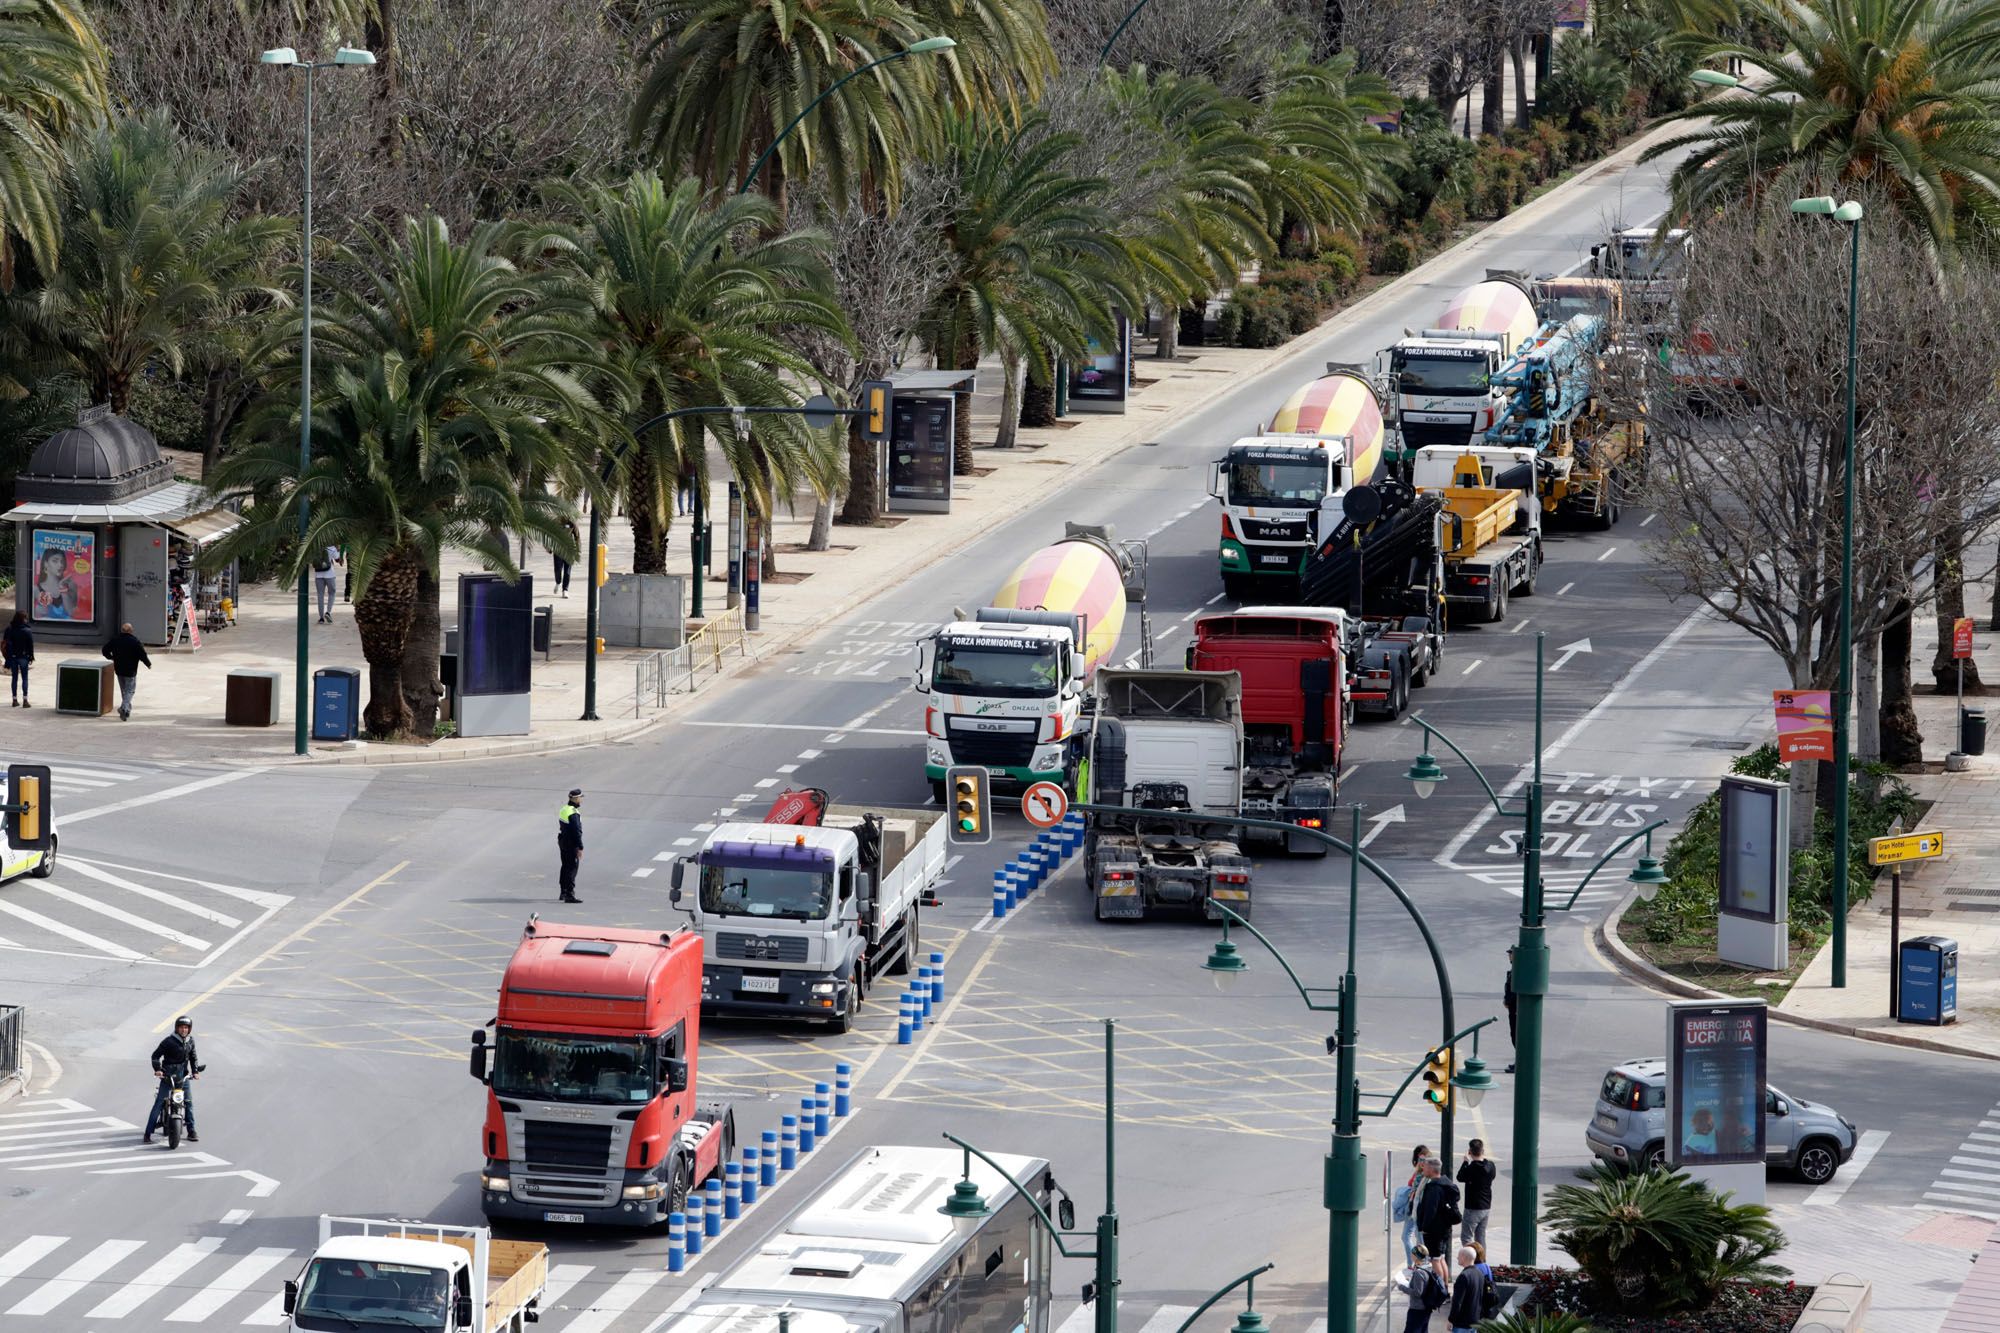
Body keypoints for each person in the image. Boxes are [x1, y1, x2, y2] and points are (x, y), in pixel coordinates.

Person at [143, 1016, 201, 1143]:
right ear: (177, 1028)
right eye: (181, 1027)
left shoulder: (190, 1041)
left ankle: (191, 1131)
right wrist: (158, 1069)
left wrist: (195, 1071)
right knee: (158, 1104)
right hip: (168, 1077)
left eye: (186, 1027)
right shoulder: (169, 1041)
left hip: (183, 1078)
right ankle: (148, 1133)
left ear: (189, 1029)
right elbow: (155, 1056)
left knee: (188, 1103)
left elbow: (193, 1057)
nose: (183, 1030)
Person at [1415, 1157, 1462, 1269]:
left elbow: (1431, 1210)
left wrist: (1423, 1227)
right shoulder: (1445, 1183)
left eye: (1425, 1167)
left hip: (1435, 1230)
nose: (1423, 1170)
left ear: (1431, 1169)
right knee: (1440, 1259)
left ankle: (1440, 1285)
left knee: (1435, 1261)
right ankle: (1444, 1285)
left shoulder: (1434, 1188)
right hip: (1444, 1228)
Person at [101, 622, 152, 721]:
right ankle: (124, 708)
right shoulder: (135, 641)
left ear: (122, 630)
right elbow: (142, 654)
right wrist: (148, 664)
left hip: (119, 669)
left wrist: (111, 657)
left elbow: (104, 650)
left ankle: (127, 710)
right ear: (131, 631)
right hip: (131, 670)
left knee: (124, 691)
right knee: (130, 691)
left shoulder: (115, 640)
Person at [1457, 1138, 1498, 1252]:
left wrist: (1465, 1161)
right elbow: (1492, 1176)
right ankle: (1481, 1262)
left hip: (1473, 1207)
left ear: (1470, 1151)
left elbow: (1460, 1177)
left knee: (1466, 1238)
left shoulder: (1471, 1168)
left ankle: (1471, 1262)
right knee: (1480, 1237)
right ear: (1482, 1150)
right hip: (1486, 1206)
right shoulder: (1490, 1165)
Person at [1399, 1245, 1447, 1333]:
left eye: (1412, 1253)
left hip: (1417, 1309)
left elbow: (1418, 1292)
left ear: (1416, 1256)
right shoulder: (1428, 1266)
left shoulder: (1419, 1272)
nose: (1411, 1255)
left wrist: (1402, 1287)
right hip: (1425, 1308)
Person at [1397, 1143, 1430, 1261]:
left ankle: (1418, 1263)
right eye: (1418, 1159)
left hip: (1417, 1209)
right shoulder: (1419, 1173)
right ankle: (1415, 1263)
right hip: (1413, 1208)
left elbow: (1414, 1187)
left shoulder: (1423, 1175)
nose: (1420, 1162)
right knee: (1409, 1237)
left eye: (1423, 1159)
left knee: (1416, 1238)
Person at [1448, 1246, 1491, 1333]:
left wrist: (1451, 1319)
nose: (1457, 1258)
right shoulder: (1479, 1273)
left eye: (1459, 1255)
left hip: (1462, 1323)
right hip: (1475, 1320)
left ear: (1464, 1257)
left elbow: (1457, 1302)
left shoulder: (1464, 1276)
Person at [556, 788, 584, 903]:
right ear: (575, 798)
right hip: (571, 844)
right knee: (572, 868)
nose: (581, 800)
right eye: (580, 798)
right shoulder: (573, 813)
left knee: (565, 866)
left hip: (563, 841)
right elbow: (576, 831)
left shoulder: (564, 809)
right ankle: (570, 894)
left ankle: (563, 892)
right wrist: (580, 847)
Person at [4, 611, 33, 707]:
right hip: (23, 657)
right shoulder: (27, 630)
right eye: (25, 618)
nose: (26, 620)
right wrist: (31, 656)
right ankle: (25, 700)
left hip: (12, 657)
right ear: (23, 619)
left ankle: (14, 700)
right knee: (24, 678)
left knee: (14, 678)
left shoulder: (9, 629)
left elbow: (5, 643)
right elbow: (30, 645)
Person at [312, 545, 342, 624]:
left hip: (318, 575)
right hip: (330, 575)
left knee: (320, 595)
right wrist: (338, 550)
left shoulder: (316, 547)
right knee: (332, 593)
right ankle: (328, 612)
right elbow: (337, 559)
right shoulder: (331, 548)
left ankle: (321, 618)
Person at [1502, 948, 1518, 1074]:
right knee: (1514, 1035)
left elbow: (1514, 990)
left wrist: (1508, 1001)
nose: (1509, 956)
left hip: (1516, 1009)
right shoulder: (1515, 969)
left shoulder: (1518, 970)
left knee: (1517, 1036)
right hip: (1513, 1008)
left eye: (1511, 954)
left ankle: (1521, 1062)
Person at [552, 521, 576, 599]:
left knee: (567, 572)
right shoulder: (556, 521)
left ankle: (565, 590)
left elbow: (577, 537)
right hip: (558, 550)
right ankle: (558, 582)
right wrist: (549, 547)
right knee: (558, 569)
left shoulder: (572, 523)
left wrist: (577, 550)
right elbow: (550, 534)